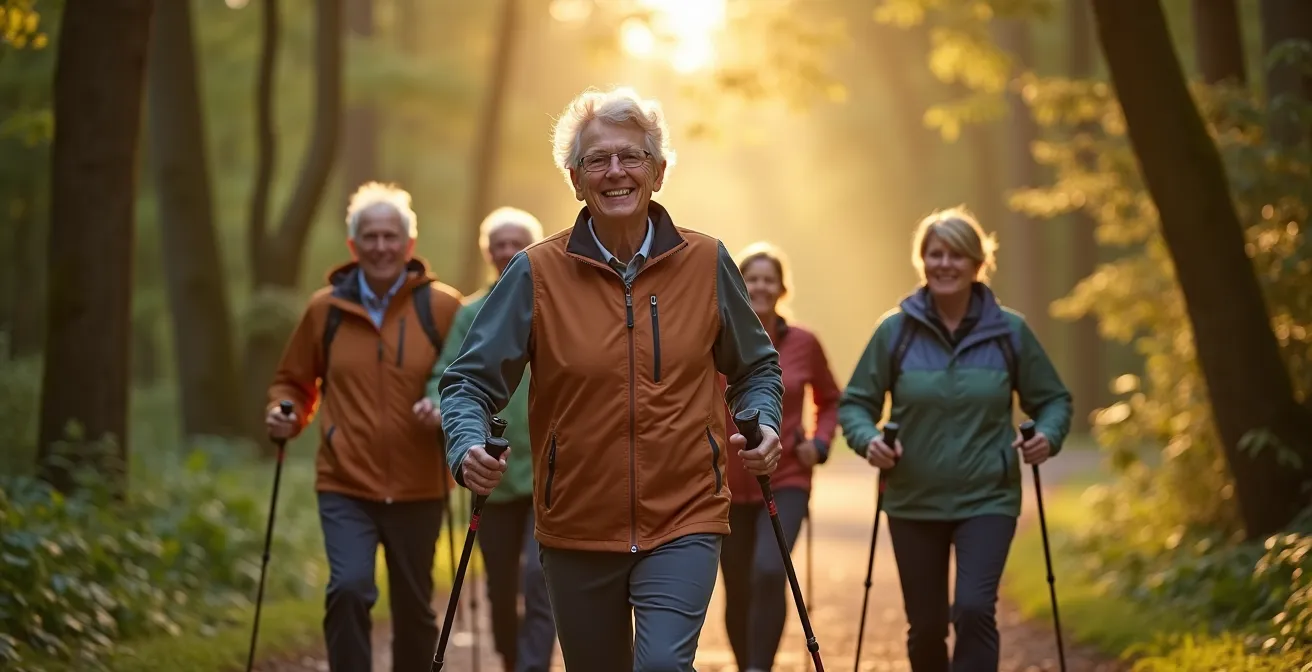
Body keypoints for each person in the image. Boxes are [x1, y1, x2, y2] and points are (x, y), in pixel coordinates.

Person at [435, 86, 785, 671]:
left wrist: (765, 422)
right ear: (575, 179)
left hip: (685, 515)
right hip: (576, 524)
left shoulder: (706, 263)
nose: (615, 171)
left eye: (632, 157)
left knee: (662, 666)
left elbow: (756, 367)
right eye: (597, 159)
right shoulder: (536, 273)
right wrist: (466, 443)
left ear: (658, 172)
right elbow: (468, 382)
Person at [837, 206, 1073, 672]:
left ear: (977, 263)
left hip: (988, 498)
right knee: (926, 627)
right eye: (934, 254)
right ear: (922, 260)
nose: (944, 264)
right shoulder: (895, 332)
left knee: (974, 608)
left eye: (956, 255)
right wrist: (869, 442)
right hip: (912, 501)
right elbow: (856, 404)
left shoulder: (1010, 332)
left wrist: (1048, 435)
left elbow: (1054, 401)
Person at [266, 181, 464, 672]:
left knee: (414, 610)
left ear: (409, 244)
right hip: (345, 483)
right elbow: (294, 382)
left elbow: (467, 379)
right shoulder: (325, 310)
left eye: (390, 236)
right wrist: (286, 411)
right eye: (370, 237)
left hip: (419, 485)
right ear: (353, 246)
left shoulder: (442, 307)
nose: (381, 247)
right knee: (349, 588)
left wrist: (445, 409)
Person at [425, 206, 557, 672]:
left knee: (539, 578)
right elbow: (447, 376)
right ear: (487, 253)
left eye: (515, 243)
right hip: (493, 472)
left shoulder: (554, 302)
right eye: (498, 244)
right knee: (501, 586)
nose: (506, 251)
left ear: (530, 249)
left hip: (548, 470)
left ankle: (531, 666)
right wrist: (435, 406)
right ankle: (510, 657)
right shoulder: (470, 313)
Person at [716, 242, 841, 672]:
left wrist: (819, 444)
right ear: (738, 285)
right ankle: (745, 664)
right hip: (726, 482)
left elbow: (831, 399)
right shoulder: (718, 338)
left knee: (769, 571)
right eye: (751, 279)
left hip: (786, 477)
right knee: (737, 585)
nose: (760, 287)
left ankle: (758, 668)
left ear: (782, 288)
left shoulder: (804, 342)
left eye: (769, 280)